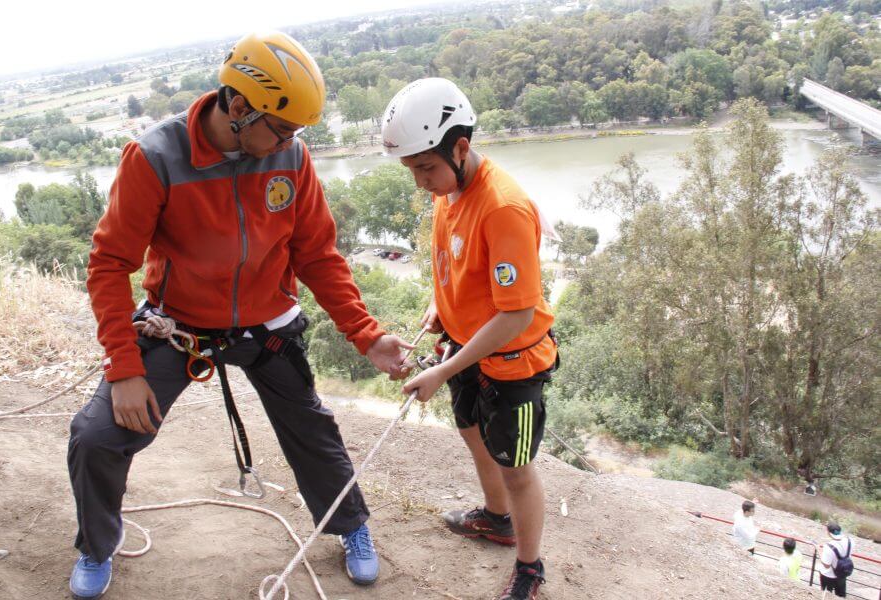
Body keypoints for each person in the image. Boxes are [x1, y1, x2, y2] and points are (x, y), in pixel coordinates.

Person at [67, 32, 413, 599]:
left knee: (312, 428)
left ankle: (350, 526)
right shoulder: (156, 158)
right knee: (98, 436)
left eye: (294, 131)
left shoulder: (290, 158)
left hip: (265, 325)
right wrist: (124, 369)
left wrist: (366, 335)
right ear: (237, 105)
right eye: (279, 127)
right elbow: (109, 265)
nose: (288, 140)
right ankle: (97, 546)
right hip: (178, 327)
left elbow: (317, 254)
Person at [381, 78, 559, 600]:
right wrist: (441, 306)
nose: (420, 182)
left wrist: (443, 370)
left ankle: (529, 567)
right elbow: (459, 267)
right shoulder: (450, 189)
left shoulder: (501, 206)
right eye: (412, 170)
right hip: (464, 347)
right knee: (474, 433)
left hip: (512, 361)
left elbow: (516, 312)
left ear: (461, 147)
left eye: (425, 168)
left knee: (517, 467)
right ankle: (495, 517)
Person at [819, 522, 854, 597]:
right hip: (842, 573)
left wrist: (819, 551)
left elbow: (826, 565)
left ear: (828, 532)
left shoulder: (828, 546)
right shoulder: (850, 541)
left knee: (826, 596)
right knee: (840, 595)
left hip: (828, 576)